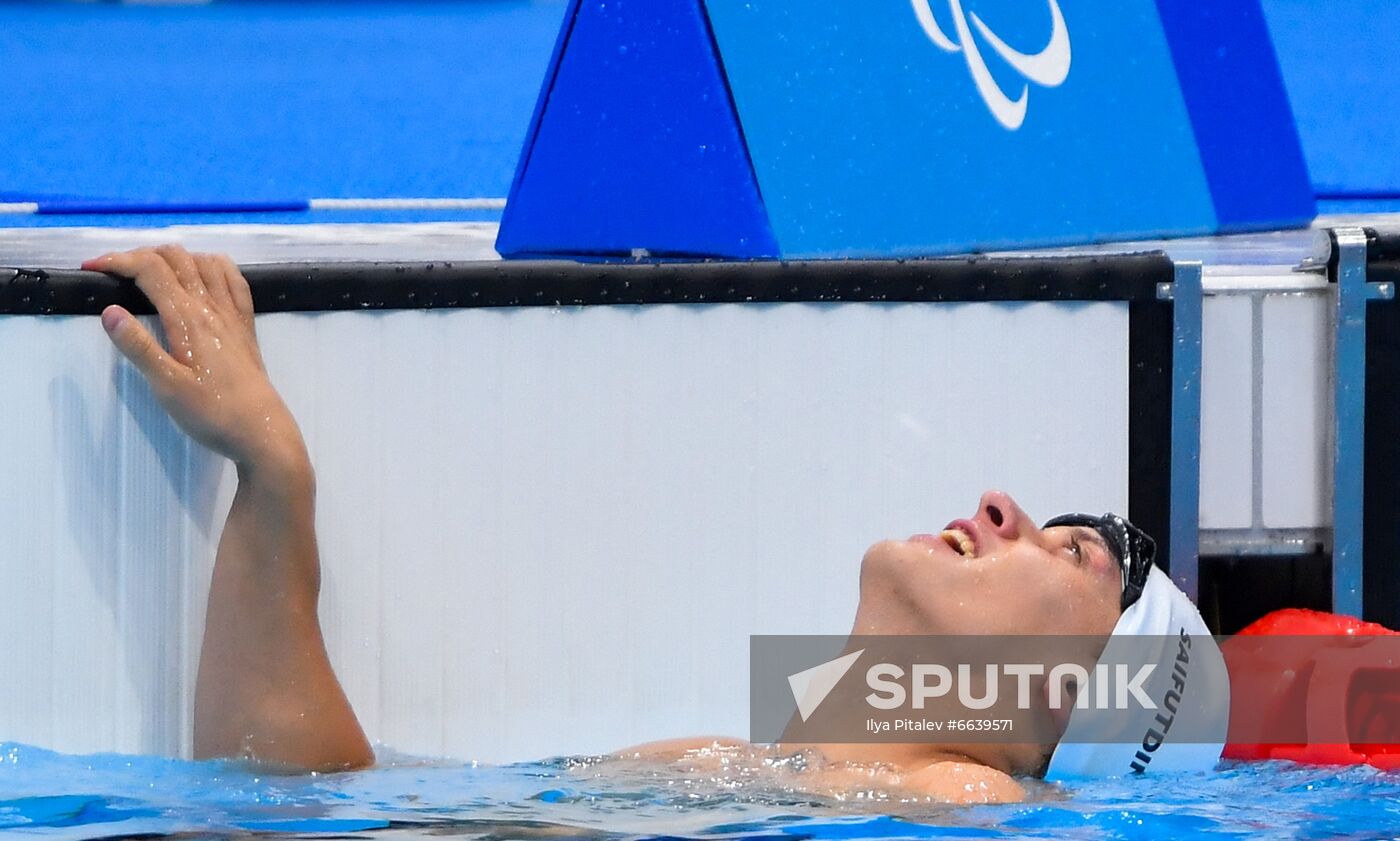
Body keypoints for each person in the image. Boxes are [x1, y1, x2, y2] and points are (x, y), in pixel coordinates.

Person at [81, 245, 1229, 803]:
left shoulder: (970, 805)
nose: (999, 509)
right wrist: (273, 483)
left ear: (1072, 703)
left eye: (1067, 552)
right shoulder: (728, 773)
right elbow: (299, 806)